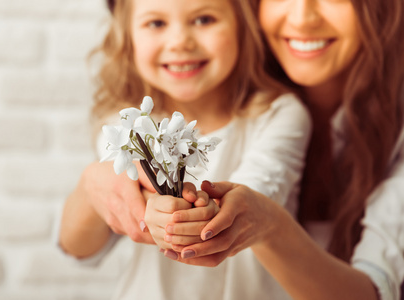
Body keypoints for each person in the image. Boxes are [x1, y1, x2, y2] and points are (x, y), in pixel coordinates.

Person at [57, 0, 312, 299]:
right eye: (156, 23)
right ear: (128, 37)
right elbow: (78, 249)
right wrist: (103, 192)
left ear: (244, 26)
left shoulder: (278, 116)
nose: (179, 42)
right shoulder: (127, 128)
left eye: (204, 19)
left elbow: (254, 200)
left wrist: (195, 214)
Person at [158, 0, 404, 299]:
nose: (302, 18)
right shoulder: (214, 98)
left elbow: (376, 291)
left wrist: (270, 226)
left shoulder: (396, 132)